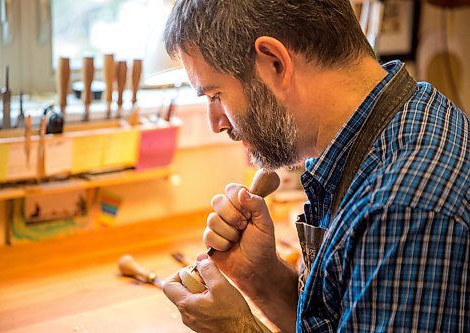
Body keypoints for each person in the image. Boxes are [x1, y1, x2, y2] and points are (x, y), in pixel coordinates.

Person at [161, 0, 469, 332]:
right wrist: (260, 277)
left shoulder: (403, 208)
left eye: (215, 95)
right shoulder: (399, 119)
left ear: (276, 64)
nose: (216, 123)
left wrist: (237, 327)